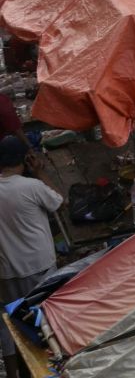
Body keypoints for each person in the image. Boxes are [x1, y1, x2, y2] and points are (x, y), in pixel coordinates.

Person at [0, 136, 62, 377]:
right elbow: (59, 201)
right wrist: (40, 173)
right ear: (25, 159)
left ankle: (17, 373)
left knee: (8, 323)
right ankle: (49, 370)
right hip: (38, 266)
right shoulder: (31, 186)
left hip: (5, 270)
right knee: (43, 322)